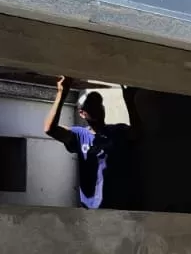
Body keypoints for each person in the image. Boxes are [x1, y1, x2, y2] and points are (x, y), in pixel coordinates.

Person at [44, 76, 137, 210]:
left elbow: (136, 133)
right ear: (82, 113)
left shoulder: (118, 130)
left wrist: (129, 101)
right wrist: (62, 93)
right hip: (92, 211)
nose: (97, 109)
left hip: (121, 209)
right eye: (91, 106)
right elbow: (50, 129)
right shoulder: (79, 135)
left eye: (98, 105)